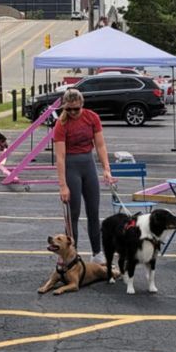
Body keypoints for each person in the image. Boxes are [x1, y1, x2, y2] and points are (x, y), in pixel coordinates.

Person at [53, 88, 114, 263]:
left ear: (82, 105)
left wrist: (106, 169)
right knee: (73, 214)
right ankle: (71, 255)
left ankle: (97, 253)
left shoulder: (92, 117)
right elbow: (60, 157)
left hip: (88, 164)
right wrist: (63, 185)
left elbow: (100, 145)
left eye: (76, 109)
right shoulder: (61, 124)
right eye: (69, 109)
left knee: (93, 211)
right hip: (71, 166)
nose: (72, 112)